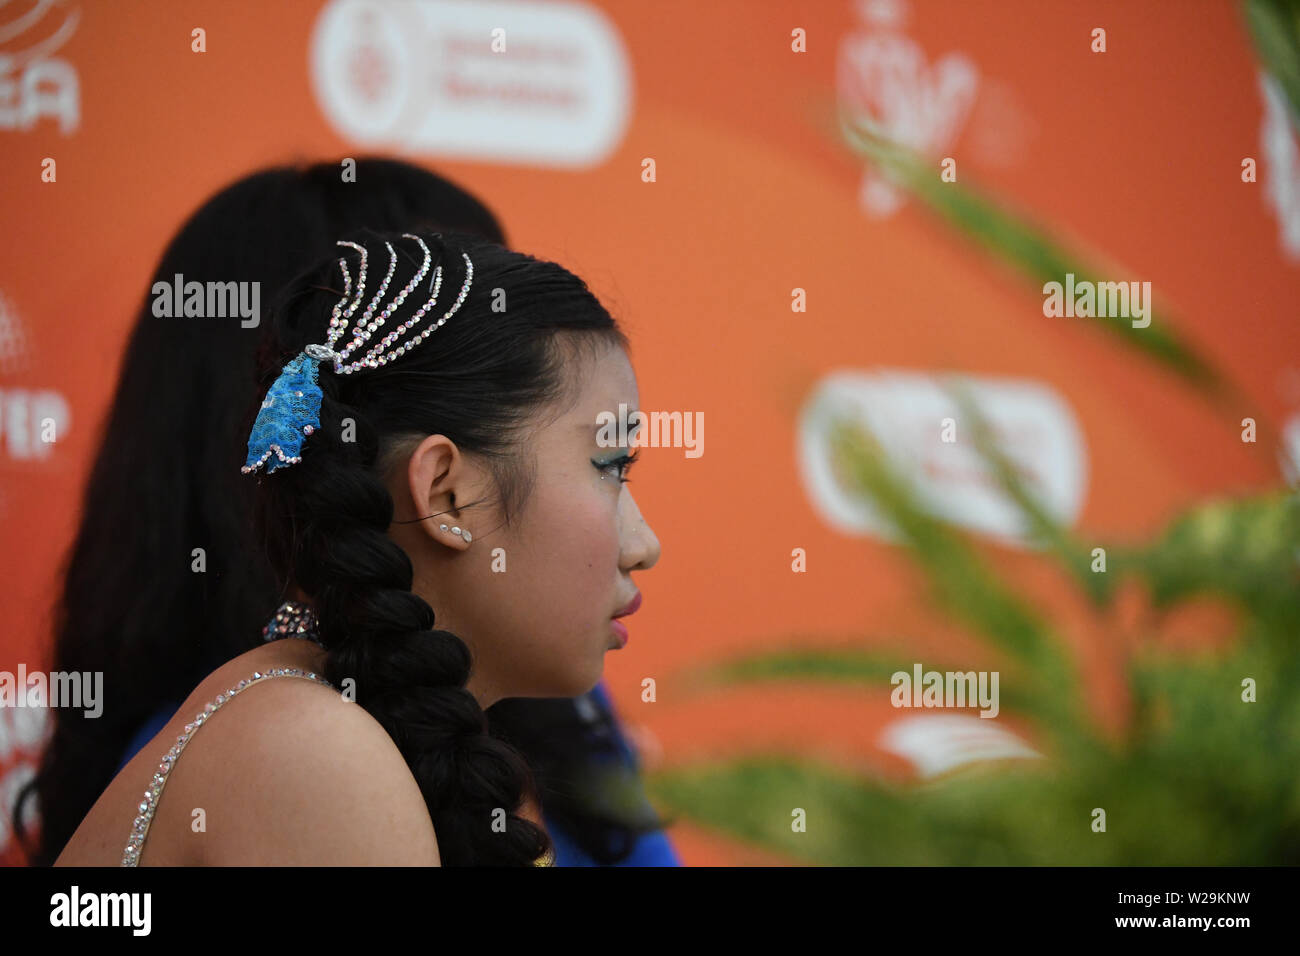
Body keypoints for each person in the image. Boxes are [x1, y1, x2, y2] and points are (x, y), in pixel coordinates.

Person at [13, 160, 680, 866]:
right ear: (446, 492)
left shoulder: (334, 718)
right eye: (610, 467)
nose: (646, 544)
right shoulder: (312, 748)